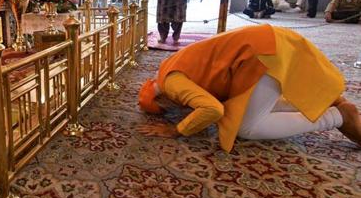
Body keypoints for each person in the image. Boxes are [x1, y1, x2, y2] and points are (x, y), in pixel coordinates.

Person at [138, 24, 361, 152]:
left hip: (262, 53)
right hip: (268, 43)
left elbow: (212, 110)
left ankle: (337, 116)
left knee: (246, 128)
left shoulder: (171, 83)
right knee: (247, 109)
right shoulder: (166, 66)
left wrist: (176, 130)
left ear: (161, 99)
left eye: (166, 111)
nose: (175, 111)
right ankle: (324, 101)